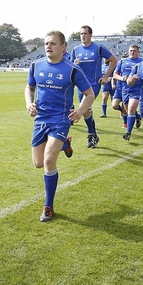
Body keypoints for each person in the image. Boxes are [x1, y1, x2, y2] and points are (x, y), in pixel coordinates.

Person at [25, 30, 93, 222]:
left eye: (53, 43)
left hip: (61, 119)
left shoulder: (72, 70)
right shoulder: (35, 66)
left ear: (63, 47)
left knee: (48, 162)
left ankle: (48, 206)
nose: (48, 46)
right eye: (47, 43)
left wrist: (80, 111)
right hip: (40, 120)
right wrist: (29, 103)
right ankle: (64, 144)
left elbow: (89, 94)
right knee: (38, 163)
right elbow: (29, 88)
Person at [68, 25, 117, 148]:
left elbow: (114, 60)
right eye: (81, 34)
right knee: (86, 111)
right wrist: (74, 64)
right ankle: (93, 134)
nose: (83, 36)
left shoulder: (98, 48)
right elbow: (70, 67)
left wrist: (106, 77)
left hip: (94, 84)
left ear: (90, 35)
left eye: (85, 33)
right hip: (81, 85)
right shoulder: (75, 50)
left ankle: (91, 134)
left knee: (83, 109)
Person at [114, 44, 143, 141]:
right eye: (131, 50)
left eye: (134, 51)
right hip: (124, 89)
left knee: (131, 109)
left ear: (138, 52)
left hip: (136, 89)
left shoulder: (142, 62)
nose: (132, 52)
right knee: (128, 111)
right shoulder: (122, 61)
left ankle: (128, 132)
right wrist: (121, 78)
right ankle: (138, 117)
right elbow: (115, 74)